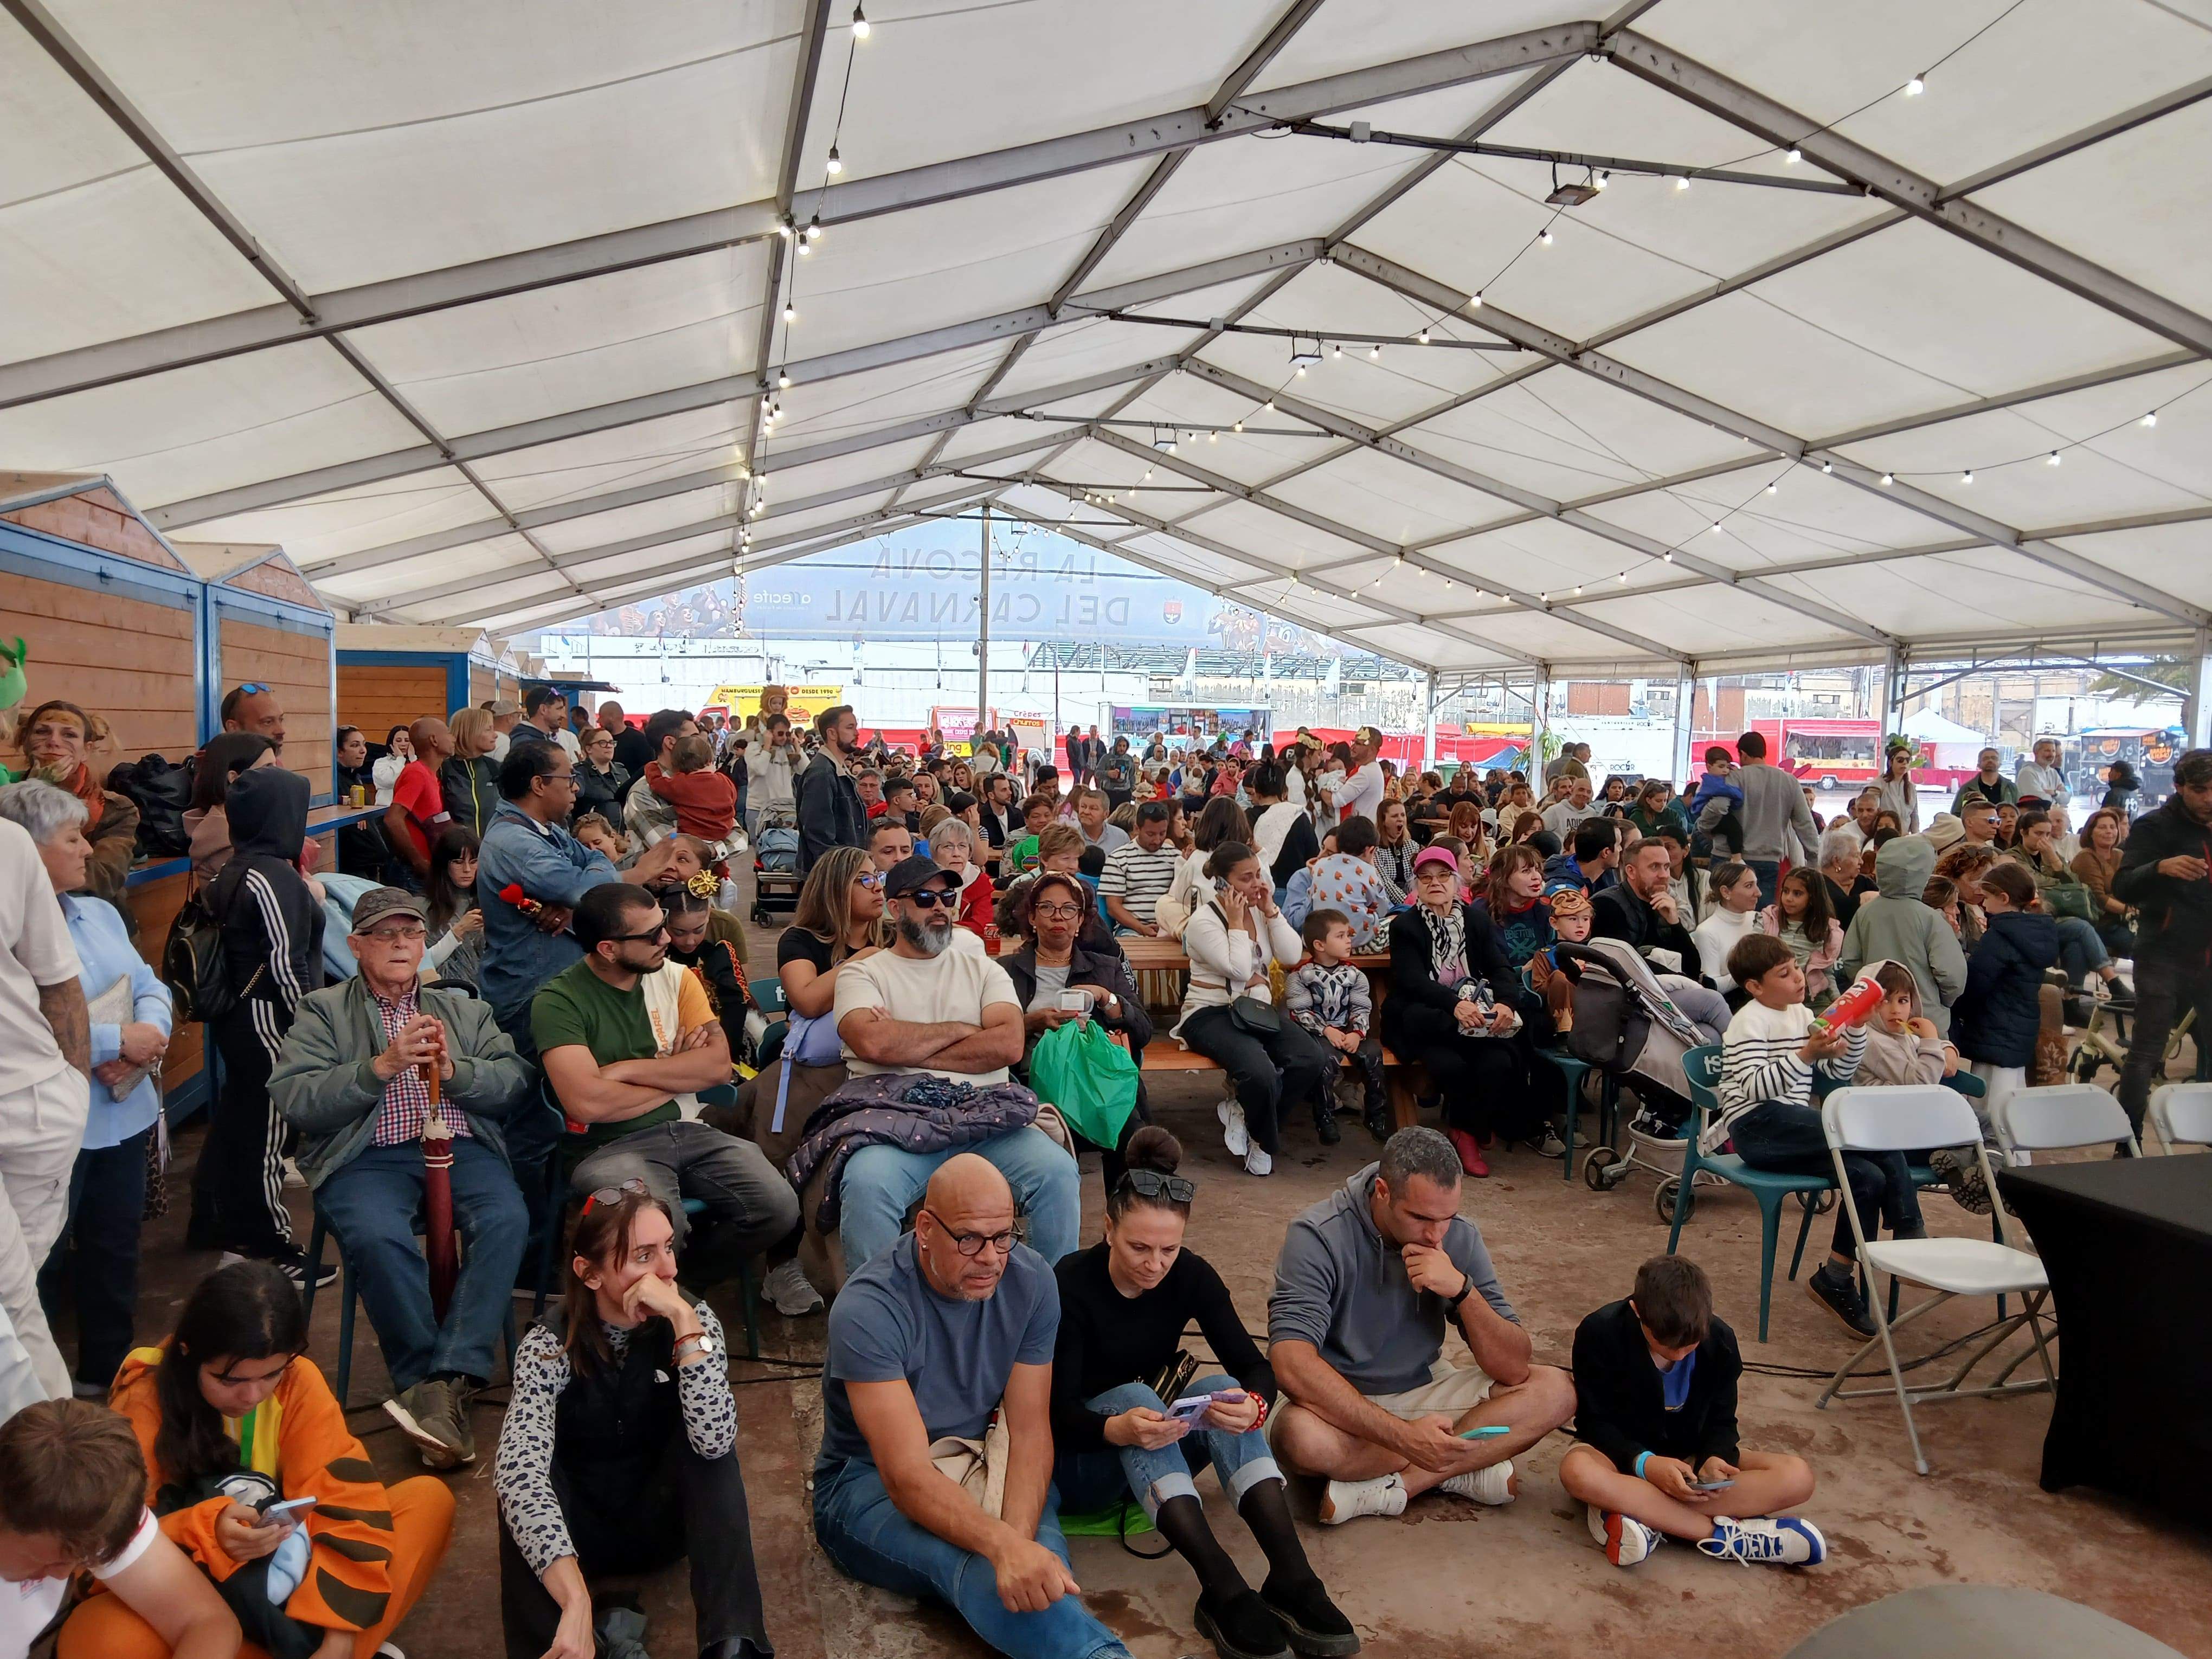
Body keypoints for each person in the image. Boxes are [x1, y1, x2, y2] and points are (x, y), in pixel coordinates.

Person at [814, 1156, 1135, 1659]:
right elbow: (905, 1475)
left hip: (987, 1452)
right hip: (867, 1481)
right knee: (977, 1564)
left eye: (1004, 1235)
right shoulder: (869, 1308)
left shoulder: (1031, 1281)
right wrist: (1002, 1549)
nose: (990, 1257)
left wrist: (1020, 1547)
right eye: (969, 1239)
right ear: (925, 1228)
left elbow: (1029, 1430)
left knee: (1039, 1566)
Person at [1051, 1129, 1355, 1659]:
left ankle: (1293, 1577)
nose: (1154, 1263)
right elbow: (1053, 1412)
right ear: (1107, 1229)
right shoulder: (1071, 1283)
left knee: (1224, 1389)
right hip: (1085, 1463)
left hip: (1154, 1450)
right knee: (1132, 1396)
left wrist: (1255, 1405)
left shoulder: (1191, 1277)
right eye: (1138, 1247)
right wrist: (1116, 1428)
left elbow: (1254, 1366)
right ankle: (1223, 1585)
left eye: (1169, 1249)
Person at [269, 887, 531, 1468]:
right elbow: (296, 1098)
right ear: (356, 945)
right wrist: (379, 1067)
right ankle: (427, 1384)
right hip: (367, 1158)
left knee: (506, 1217)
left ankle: (445, 1381)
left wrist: (456, 1071)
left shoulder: (463, 1008)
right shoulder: (323, 1010)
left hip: (460, 1148)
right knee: (377, 1237)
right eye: (384, 935)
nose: (400, 944)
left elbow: (513, 1080)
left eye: (410, 933)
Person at [78, 1262, 452, 1659]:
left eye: (271, 1374)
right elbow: (101, 1547)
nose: (253, 1396)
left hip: (295, 1588)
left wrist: (338, 1639)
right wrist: (202, 1530)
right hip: (202, 1607)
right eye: (230, 1380)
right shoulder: (144, 1398)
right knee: (97, 1638)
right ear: (187, 1352)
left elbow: (344, 1500)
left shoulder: (298, 1379)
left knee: (428, 1501)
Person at [494, 1185, 771, 1659]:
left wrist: (685, 1323)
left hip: (662, 1522)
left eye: (668, 1248)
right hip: (575, 1538)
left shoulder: (694, 1321)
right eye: (643, 1256)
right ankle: (556, 1646)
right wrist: (577, 1598)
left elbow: (715, 1438)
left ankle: (733, 1644)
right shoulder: (549, 1345)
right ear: (590, 1273)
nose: (668, 1271)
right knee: (519, 1479)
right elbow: (517, 1471)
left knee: (712, 1455)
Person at [1266, 1126, 1576, 1526]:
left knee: (1558, 1392)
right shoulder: (1319, 1235)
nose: (1435, 1234)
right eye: (1420, 1218)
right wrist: (1404, 1437)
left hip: (1424, 1388)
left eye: (1446, 1217)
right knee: (1299, 1439)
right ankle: (1465, 1465)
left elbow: (1514, 1367)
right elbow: (1290, 1363)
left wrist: (1462, 1291)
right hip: (1337, 1404)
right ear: (1382, 1191)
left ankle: (1407, 1485)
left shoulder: (1459, 1238)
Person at [816, 856, 1080, 1266]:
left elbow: (1010, 1044)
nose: (940, 907)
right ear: (895, 908)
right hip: (896, 1120)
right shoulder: (863, 974)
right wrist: (967, 1027)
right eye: (925, 898)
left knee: (1058, 1174)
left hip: (985, 1116)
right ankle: (880, 1318)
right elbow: (872, 1042)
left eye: (947, 897)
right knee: (867, 1185)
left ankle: (1050, 1310)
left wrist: (906, 1039)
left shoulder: (983, 969)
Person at [535, 883, 798, 1290]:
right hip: (605, 1146)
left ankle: (678, 1292)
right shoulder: (557, 1001)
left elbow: (715, 1067)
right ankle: (661, 1309)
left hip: (690, 1129)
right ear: (608, 949)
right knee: (658, 1223)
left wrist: (622, 1071)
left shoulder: (677, 978)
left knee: (779, 1207)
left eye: (663, 926)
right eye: (652, 934)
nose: (667, 939)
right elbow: (586, 1103)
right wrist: (675, 1073)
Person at [2, 782, 168, 1400]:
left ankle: (109, 1373)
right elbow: (26, 1021)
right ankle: (31, 1399)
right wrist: (111, 1042)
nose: (86, 849)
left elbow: (149, 982)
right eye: (71, 837)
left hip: (122, 1114)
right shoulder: (14, 929)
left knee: (114, 1250)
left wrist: (149, 1033)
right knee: (33, 1265)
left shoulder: (99, 912)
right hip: (52, 1123)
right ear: (26, 849)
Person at [1562, 1256, 1823, 1568]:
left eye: (1690, 1345)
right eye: (1664, 1345)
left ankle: (1640, 1514)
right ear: (1636, 1312)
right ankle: (1725, 1537)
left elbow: (1723, 1421)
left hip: (1689, 1462)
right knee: (1577, 1470)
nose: (1679, 1353)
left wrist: (1715, 1458)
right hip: (1621, 1459)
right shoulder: (1600, 1332)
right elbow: (1594, 1422)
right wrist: (1646, 1465)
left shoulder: (1721, 1340)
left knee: (1798, 1477)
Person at [1713, 934, 1898, 1339]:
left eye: (1796, 967)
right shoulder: (1748, 1022)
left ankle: (1836, 1277)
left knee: (1868, 1176)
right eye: (1785, 973)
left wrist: (1856, 1032)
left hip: (1793, 1132)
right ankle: (1908, 1226)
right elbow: (1754, 1090)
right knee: (1860, 1129)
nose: (1798, 978)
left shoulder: (1801, 1015)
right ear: (1755, 988)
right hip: (1757, 1129)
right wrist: (1807, 1055)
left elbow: (1836, 1076)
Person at [201, 767, 327, 1286]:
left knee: (245, 1125)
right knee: (269, 1135)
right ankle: (269, 1246)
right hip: (268, 1020)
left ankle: (232, 1236)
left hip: (240, 1014)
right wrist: (313, 1026)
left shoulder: (238, 866)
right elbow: (284, 963)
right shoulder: (271, 875)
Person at [1, 1399, 240, 1659]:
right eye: (42, 1562)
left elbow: (208, 1622)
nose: (62, 1576)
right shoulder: (42, 1503)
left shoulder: (91, 1504)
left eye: (79, 1560)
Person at [1384, 846, 1552, 1177]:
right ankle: (1469, 1135)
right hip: (1429, 1015)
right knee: (1452, 1065)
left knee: (1499, 1062)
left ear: (1456, 880)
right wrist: (1454, 1005)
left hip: (1476, 1016)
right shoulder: (1405, 925)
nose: (1435, 883)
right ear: (1416, 884)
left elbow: (1500, 967)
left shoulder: (1476, 919)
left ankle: (1466, 1129)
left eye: (1443, 875)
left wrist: (1505, 1002)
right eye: (1426, 877)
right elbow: (1411, 980)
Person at [0, 801, 91, 1401]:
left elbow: (59, 983)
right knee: (12, 1304)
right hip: (31, 1095)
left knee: (12, 1303)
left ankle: (67, 1482)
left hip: (25, 1100)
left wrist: (75, 1086)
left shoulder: (8, 847)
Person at [1177, 843, 1332, 1175]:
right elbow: (1239, 970)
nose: (1257, 884)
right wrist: (1235, 921)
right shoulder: (1203, 921)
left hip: (1253, 1010)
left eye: (1258, 875)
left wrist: (1272, 911)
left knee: (1310, 1057)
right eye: (1246, 879)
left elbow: (1291, 957)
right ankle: (1265, 1143)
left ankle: (1246, 1115)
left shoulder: (1260, 910)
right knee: (1259, 1071)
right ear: (1222, 883)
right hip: (1209, 1013)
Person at [1001, 872, 1153, 1188]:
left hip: (1096, 1083)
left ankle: (1121, 1230)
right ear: (1031, 916)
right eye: (1047, 908)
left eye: (1069, 909)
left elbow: (1143, 1032)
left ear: (1080, 919)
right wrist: (1034, 1022)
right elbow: (989, 1034)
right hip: (1031, 1083)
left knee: (1133, 1136)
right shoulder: (1005, 970)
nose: (1059, 917)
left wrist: (1105, 998)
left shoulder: (1104, 967)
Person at [1953, 860, 2058, 1122]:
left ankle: (1994, 1159)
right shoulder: (2037, 933)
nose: (1983, 904)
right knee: (2013, 1104)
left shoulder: (1999, 937)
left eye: (1987, 898)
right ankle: (2019, 1157)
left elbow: (1976, 984)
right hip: (2018, 1032)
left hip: (1994, 1031)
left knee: (1990, 1106)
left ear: (2004, 898)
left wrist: (1955, 1008)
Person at [1838, 834, 1967, 1036]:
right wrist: (1939, 1001)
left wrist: (1872, 995)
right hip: (1924, 1023)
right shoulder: (1930, 918)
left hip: (1877, 1018)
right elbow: (1953, 974)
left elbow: (1852, 961)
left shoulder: (1865, 913)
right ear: (1924, 873)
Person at [1289, 908, 1389, 1145]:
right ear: (1320, 945)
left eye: (1349, 935)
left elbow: (1362, 1007)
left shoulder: (1355, 975)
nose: (1349, 940)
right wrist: (1325, 1030)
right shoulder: (1302, 976)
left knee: (1373, 1055)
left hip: (1349, 1030)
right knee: (1325, 1060)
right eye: (1341, 936)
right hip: (1318, 1033)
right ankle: (1324, 1116)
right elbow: (1299, 1011)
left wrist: (1357, 1032)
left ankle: (1377, 1115)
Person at [1594, 839, 1702, 979]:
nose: (1664, 875)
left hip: (1668, 987)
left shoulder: (1664, 904)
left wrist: (1675, 923)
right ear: (1631, 872)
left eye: (1667, 867)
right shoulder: (1608, 905)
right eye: (1655, 867)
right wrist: (1680, 979)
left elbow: (1693, 968)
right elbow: (1625, 966)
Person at [1733, 731, 1818, 906]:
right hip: (1771, 861)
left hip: (1738, 859)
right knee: (1764, 919)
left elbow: (1719, 813)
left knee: (1738, 917)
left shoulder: (1736, 778)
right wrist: (1813, 858)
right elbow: (1805, 823)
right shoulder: (1789, 781)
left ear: (1742, 754)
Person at [1302, 815, 1395, 949]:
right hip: (1356, 940)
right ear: (1371, 850)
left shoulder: (1320, 865)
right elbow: (1382, 909)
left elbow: (1311, 899)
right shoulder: (1368, 872)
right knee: (1396, 920)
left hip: (1322, 937)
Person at [796, 704, 867, 873]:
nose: (856, 733)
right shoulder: (822, 773)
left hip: (842, 870)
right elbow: (818, 835)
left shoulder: (835, 769)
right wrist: (838, 873)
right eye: (850, 727)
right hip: (829, 876)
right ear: (832, 733)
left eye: (856, 727)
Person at [1758, 866, 1842, 1005]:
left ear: (1813, 898)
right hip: (1776, 997)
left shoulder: (1825, 930)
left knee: (1829, 1026)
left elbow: (1827, 972)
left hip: (1813, 998)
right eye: (1786, 891)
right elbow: (1754, 961)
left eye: (1797, 894)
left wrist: (1836, 999)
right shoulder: (1768, 920)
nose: (1789, 898)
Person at [1099, 800, 1180, 937]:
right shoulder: (1118, 859)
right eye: (1151, 834)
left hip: (1170, 927)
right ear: (1137, 829)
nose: (1157, 840)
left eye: (1162, 833)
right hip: (1131, 928)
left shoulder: (1175, 857)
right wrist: (1142, 928)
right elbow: (1113, 907)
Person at [421, 825, 484, 994]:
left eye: (473, 862)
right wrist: (459, 932)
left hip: (490, 993)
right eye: (458, 862)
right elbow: (423, 965)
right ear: (444, 865)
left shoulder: (489, 900)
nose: (467, 870)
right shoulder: (425, 908)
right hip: (446, 994)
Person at [1470, 843, 1553, 969]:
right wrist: (1523, 971)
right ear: (1503, 878)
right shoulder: (1480, 911)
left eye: (1537, 870)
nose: (1537, 877)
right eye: (1526, 871)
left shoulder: (1544, 908)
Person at [650, 733, 738, 850]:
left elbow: (656, 784)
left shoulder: (681, 783)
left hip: (691, 837)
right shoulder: (724, 780)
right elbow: (733, 799)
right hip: (723, 834)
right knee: (719, 866)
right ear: (709, 759)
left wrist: (652, 767)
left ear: (677, 764)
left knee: (671, 836)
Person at [2072, 806, 2136, 959]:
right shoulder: (2086, 858)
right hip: (2100, 924)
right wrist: (2130, 910)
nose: (2109, 831)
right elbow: (2099, 899)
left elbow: (2130, 888)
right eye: (2102, 827)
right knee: (2140, 945)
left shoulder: (2119, 854)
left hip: (2121, 920)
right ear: (2091, 833)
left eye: (2113, 827)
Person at [1691, 860, 1760, 996]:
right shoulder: (1707, 932)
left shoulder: (1758, 919)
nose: (1758, 893)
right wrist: (1754, 970)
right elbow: (1713, 986)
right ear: (1726, 892)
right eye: (1749, 886)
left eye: (1756, 885)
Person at [440, 706, 504, 840]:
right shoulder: (443, 769)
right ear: (470, 733)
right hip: (460, 854)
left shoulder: (496, 768)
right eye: (488, 729)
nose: (496, 735)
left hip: (493, 851)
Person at [571, 722, 630, 828]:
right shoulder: (580, 773)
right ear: (589, 749)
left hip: (624, 835)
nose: (609, 746)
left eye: (612, 743)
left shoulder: (622, 771)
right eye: (603, 743)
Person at [1543, 818, 1619, 897]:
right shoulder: (1563, 890)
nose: (1621, 849)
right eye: (1619, 845)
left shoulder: (1607, 874)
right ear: (1606, 852)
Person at [1817, 827, 1873, 930]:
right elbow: (1839, 907)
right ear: (1836, 861)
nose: (1861, 862)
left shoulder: (1863, 882)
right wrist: (1862, 899)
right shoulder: (1817, 885)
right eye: (1856, 856)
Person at [1334, 728, 1385, 825]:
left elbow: (1336, 801)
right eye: (1353, 742)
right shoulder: (1370, 769)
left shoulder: (1366, 772)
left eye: (1358, 744)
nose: (1352, 747)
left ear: (1372, 750)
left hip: (1359, 834)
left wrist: (1321, 786)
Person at [1870, 740, 1920, 834]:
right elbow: (1871, 813)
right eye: (1900, 760)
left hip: (1905, 838)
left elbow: (1914, 815)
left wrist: (1916, 836)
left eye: (1908, 760)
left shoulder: (1911, 788)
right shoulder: (1878, 784)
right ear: (1890, 762)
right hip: (1884, 837)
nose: (1904, 763)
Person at [1951, 747, 2017, 816]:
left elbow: (2020, 812)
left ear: (2000, 763)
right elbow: (1956, 815)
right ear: (1979, 764)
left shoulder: (2011, 787)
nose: (1990, 761)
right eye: (1986, 758)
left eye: (1994, 758)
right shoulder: (1967, 789)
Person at [218, 684, 285, 751]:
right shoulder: (213, 761)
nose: (281, 731)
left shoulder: (275, 761)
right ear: (233, 729)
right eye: (268, 722)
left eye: (281, 720)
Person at [508, 686, 569, 755]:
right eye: (559, 709)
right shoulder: (526, 745)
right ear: (543, 709)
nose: (564, 716)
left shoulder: (539, 740)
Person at [1540, 775, 1599, 843]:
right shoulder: (1554, 811)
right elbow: (1539, 833)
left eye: (1589, 792)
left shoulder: (1592, 813)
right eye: (1581, 790)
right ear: (1572, 790)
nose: (1585, 794)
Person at [1071, 788, 1127, 857]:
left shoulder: (1121, 838)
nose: (1086, 812)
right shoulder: (1069, 837)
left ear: (1106, 814)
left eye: (1093, 808)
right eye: (1083, 807)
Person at [370, 724, 413, 806]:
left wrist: (413, 758)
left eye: (407, 740)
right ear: (391, 743)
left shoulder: (417, 762)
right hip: (385, 811)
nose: (403, 744)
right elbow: (390, 781)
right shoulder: (381, 763)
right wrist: (400, 759)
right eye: (399, 740)